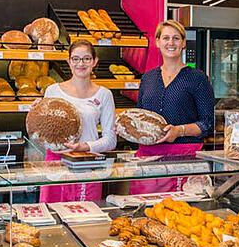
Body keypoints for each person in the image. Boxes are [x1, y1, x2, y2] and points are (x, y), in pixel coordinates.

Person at [131, 20, 214, 194]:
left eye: (176, 38)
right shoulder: (148, 78)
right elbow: (139, 117)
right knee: (147, 210)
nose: (171, 43)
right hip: (149, 158)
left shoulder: (197, 78)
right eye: (166, 38)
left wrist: (179, 131)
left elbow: (207, 124)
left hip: (185, 158)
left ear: (183, 43)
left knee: (183, 213)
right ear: (157, 42)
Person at [39, 40, 116, 202]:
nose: (81, 63)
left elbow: (110, 140)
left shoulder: (104, 95)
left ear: (94, 62)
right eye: (75, 59)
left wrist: (85, 147)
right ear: (68, 61)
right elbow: (43, 132)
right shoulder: (53, 91)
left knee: (85, 219)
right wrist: (36, 113)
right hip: (56, 163)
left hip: (87, 163)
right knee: (52, 217)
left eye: (86, 58)